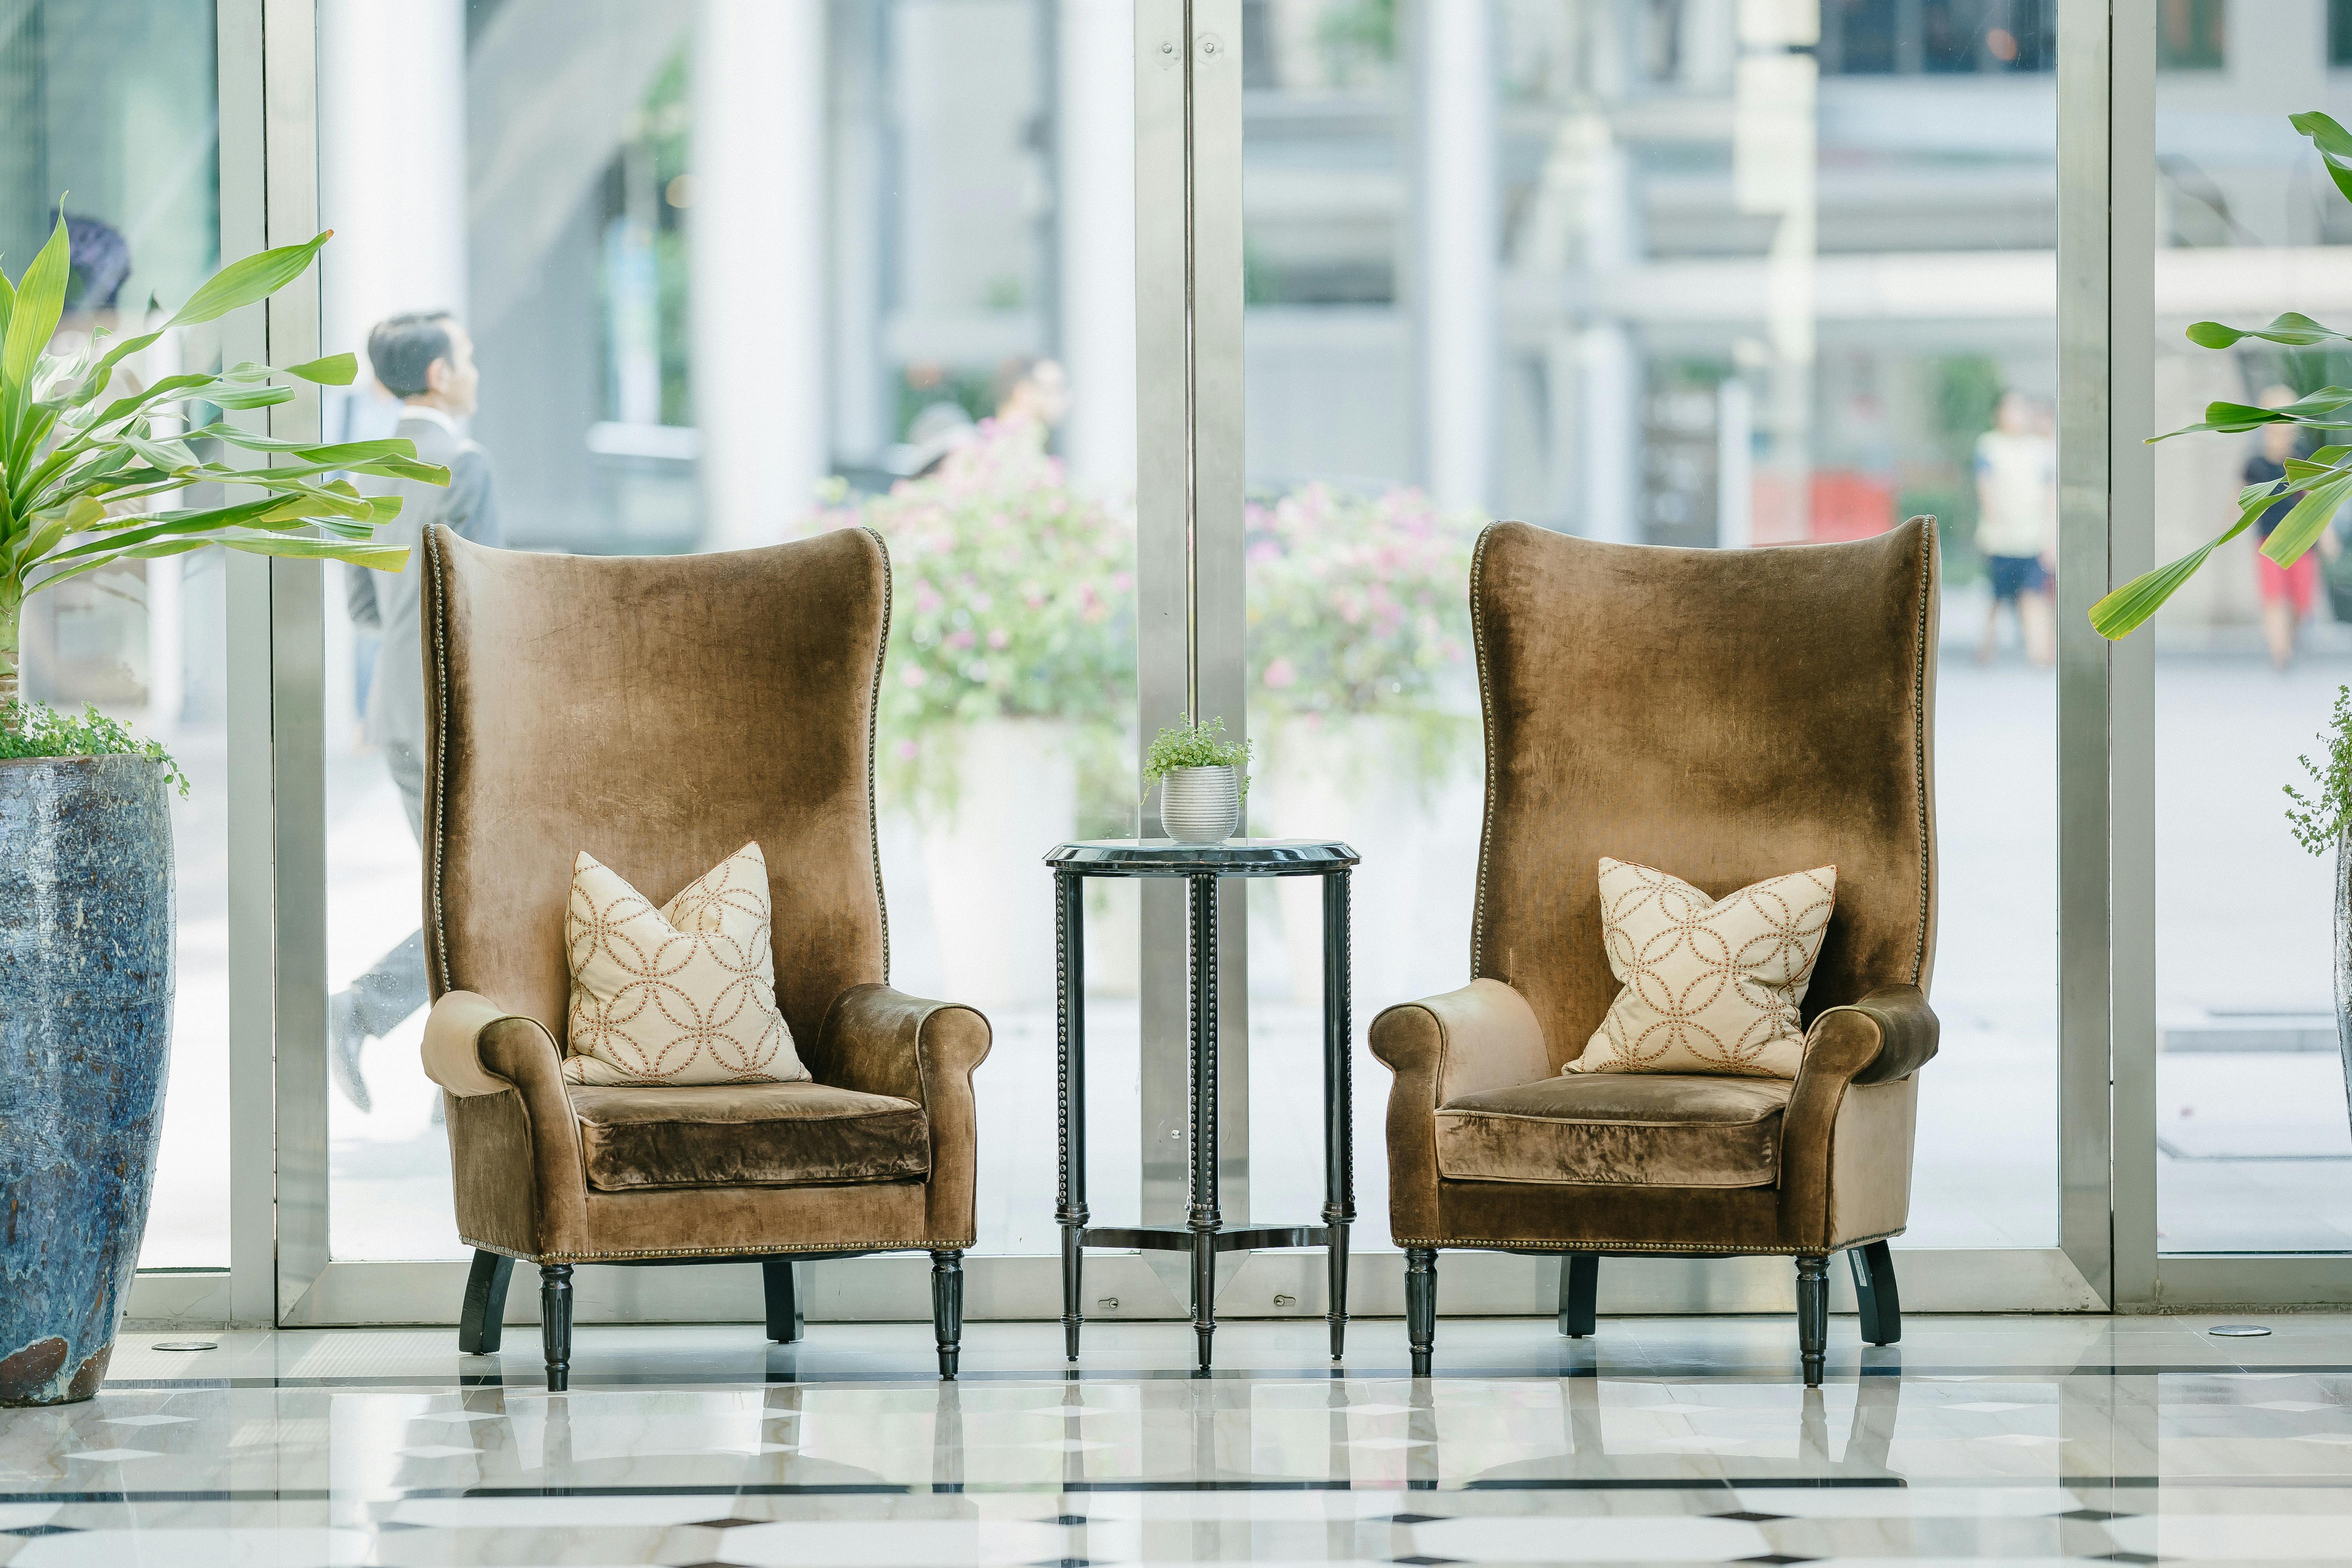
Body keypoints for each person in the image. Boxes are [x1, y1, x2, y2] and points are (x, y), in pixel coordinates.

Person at [329, 312, 501, 1112]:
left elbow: (364, 602)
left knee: (461, 895)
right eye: (464, 357)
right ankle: (366, 1013)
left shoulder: (370, 469)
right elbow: (490, 604)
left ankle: (458, 1082)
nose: (472, 369)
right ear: (438, 374)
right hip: (453, 709)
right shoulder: (464, 463)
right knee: (476, 897)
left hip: (394, 707)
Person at [2243, 385, 2342, 670]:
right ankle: (2280, 653)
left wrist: (2328, 535)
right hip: (2268, 541)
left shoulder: (2302, 457)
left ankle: (2291, 639)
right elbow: (2236, 498)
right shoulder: (2255, 463)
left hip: (2301, 539)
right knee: (2272, 598)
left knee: (2302, 602)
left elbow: (2315, 498)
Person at [1972, 389, 2057, 667]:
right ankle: (1986, 649)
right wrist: (1993, 519)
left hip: (2032, 537)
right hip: (1999, 540)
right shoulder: (1989, 445)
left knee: (2033, 595)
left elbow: (2050, 494)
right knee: (1997, 595)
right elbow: (1985, 487)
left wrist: (2050, 537)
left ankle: (2041, 652)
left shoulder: (2040, 449)